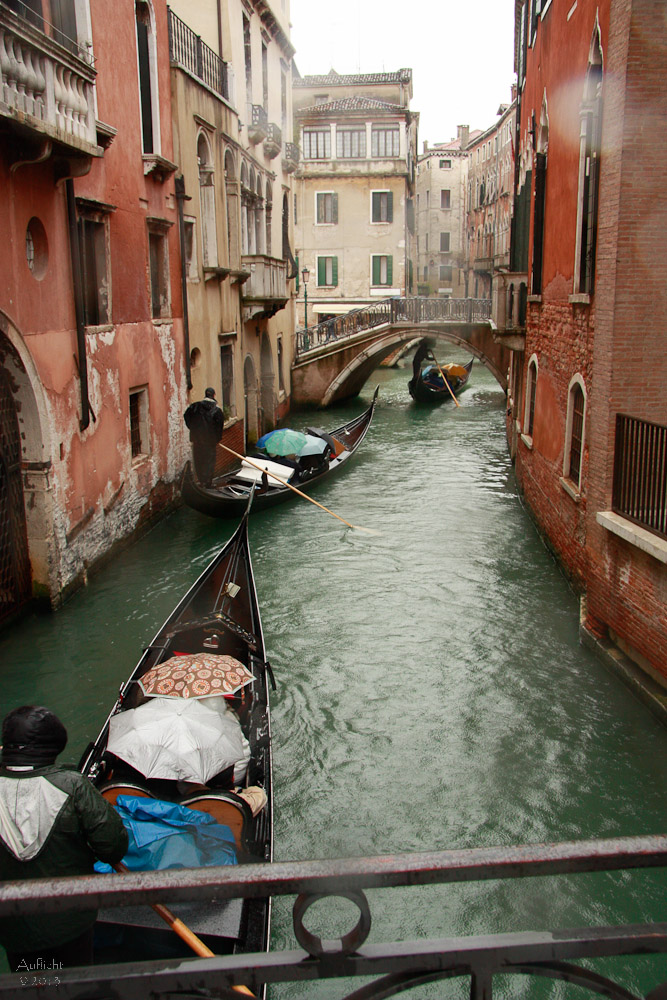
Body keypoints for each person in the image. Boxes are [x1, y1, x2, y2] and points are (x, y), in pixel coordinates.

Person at [0, 706, 128, 972]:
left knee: (30, 978)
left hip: (13, 926)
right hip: (71, 920)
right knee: (71, 979)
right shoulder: (72, 785)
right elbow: (112, 847)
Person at [183, 387, 225, 487]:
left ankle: (202, 482)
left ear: (205, 394)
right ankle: (208, 483)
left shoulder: (194, 407)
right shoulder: (217, 411)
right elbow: (219, 428)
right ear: (214, 395)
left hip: (197, 441)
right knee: (209, 462)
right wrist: (216, 439)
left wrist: (193, 429)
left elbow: (186, 416)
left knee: (199, 460)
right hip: (210, 443)